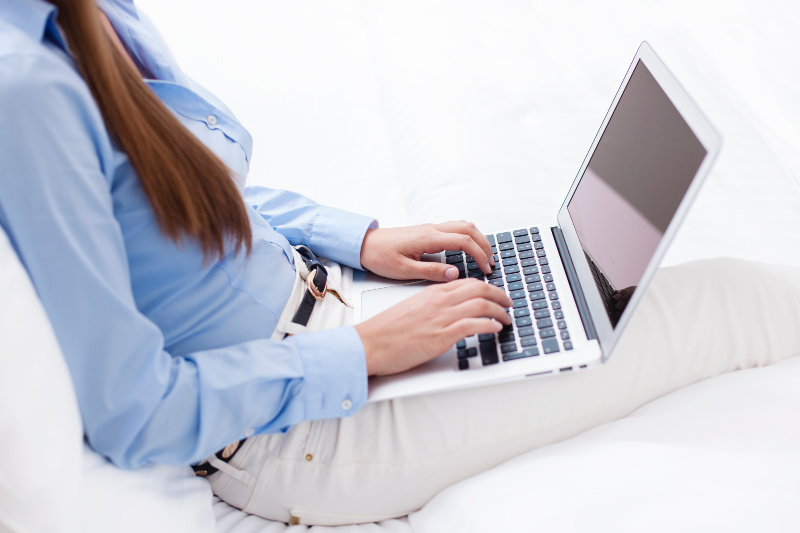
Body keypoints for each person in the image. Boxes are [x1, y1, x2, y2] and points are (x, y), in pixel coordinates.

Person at [2, 0, 799, 526]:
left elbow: (169, 195)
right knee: (724, 299)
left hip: (330, 303)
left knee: (571, 282)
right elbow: (132, 412)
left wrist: (357, 238)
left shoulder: (89, 16)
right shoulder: (25, 92)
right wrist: (365, 351)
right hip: (296, 429)